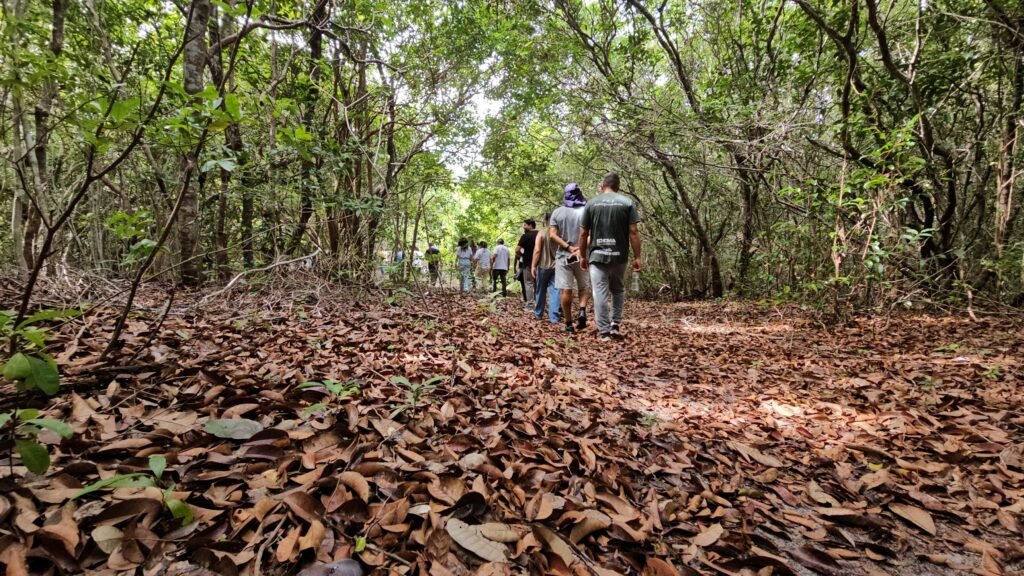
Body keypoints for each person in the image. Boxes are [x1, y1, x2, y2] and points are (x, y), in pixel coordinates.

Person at [579, 173, 642, 341]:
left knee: (599, 292)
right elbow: (633, 231)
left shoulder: (591, 204)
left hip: (597, 256)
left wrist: (582, 255)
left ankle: (604, 332)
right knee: (618, 289)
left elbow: (584, 233)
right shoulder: (627, 203)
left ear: (602, 186)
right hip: (619, 255)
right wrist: (637, 256)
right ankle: (615, 324)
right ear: (618, 187)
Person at [550, 183, 591, 333]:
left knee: (566, 290)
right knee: (584, 287)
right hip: (582, 256)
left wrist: (568, 247)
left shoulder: (558, 212)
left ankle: (568, 323)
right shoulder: (586, 211)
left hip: (564, 256)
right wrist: (580, 249)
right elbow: (590, 235)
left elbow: (552, 234)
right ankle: (581, 311)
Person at [531, 212, 560, 323]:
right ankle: (554, 317)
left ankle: (538, 314)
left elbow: (537, 250)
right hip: (557, 266)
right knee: (555, 291)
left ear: (545, 220)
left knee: (540, 290)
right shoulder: (559, 234)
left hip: (543, 266)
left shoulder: (541, 233)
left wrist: (533, 265)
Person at [516, 219, 539, 308]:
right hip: (540, 263)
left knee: (529, 283)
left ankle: (530, 305)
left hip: (528, 263)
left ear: (530, 225)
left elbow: (517, 250)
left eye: (525, 225)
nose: (523, 227)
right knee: (538, 284)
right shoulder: (540, 234)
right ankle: (538, 304)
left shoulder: (525, 236)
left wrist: (522, 255)